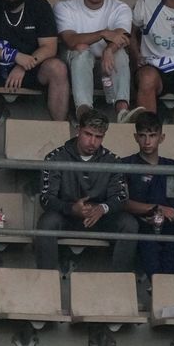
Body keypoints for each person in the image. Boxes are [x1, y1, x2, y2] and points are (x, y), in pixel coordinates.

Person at [35, 108, 137, 272]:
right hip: (67, 216)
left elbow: (120, 197)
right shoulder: (55, 157)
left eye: (98, 137)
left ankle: (119, 284)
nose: (92, 142)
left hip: (100, 218)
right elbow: (46, 198)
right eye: (88, 134)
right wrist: (71, 208)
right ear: (78, 130)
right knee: (47, 222)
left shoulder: (112, 161)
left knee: (129, 224)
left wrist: (102, 209)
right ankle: (47, 283)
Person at [55, 0, 135, 120]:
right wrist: (102, 33)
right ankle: (84, 110)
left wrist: (108, 50)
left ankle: (122, 110)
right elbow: (70, 40)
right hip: (73, 63)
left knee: (119, 53)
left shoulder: (120, 8)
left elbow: (123, 36)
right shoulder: (65, 6)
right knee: (81, 49)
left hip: (106, 67)